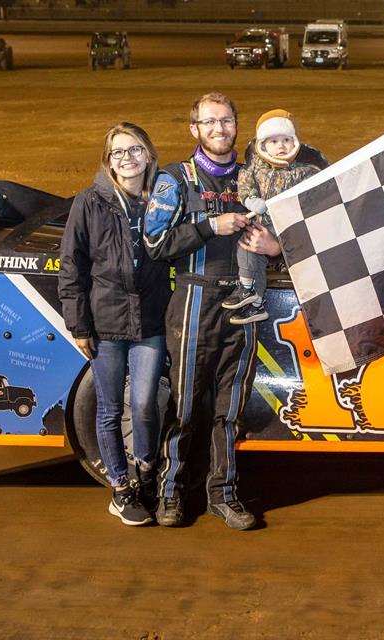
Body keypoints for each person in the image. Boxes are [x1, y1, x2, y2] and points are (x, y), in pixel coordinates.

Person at [144, 92, 281, 530]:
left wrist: (275, 248)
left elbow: (291, 238)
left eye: (226, 121)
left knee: (230, 411)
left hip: (244, 306)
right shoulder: (174, 179)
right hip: (193, 302)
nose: (218, 129)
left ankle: (224, 495)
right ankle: (170, 494)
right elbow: (154, 244)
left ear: (237, 125)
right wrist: (208, 227)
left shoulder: (255, 178)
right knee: (184, 408)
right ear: (194, 129)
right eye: (209, 122)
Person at [59, 122, 171, 526]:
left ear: (148, 154)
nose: (128, 158)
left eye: (135, 149)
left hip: (151, 321)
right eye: (118, 152)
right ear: (108, 160)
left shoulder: (163, 198)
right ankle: (121, 489)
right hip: (105, 323)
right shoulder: (89, 201)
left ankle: (145, 474)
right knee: (108, 410)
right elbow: (73, 265)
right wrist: (79, 324)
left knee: (143, 405)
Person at [223, 109, 328, 325]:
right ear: (262, 144)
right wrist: (251, 200)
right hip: (263, 225)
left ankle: (249, 291)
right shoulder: (255, 167)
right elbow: (245, 183)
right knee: (247, 250)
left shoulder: (305, 170)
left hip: (290, 230)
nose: (280, 146)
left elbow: (319, 202)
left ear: (295, 141)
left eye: (286, 140)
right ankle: (253, 297)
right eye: (273, 141)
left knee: (253, 249)